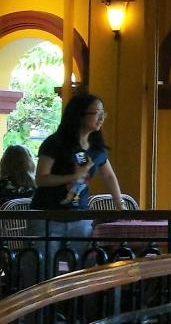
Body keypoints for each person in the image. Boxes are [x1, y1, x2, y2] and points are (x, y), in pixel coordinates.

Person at [31, 93, 124, 270]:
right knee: (44, 269)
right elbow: (41, 179)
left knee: (80, 268)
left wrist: (120, 205)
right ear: (80, 115)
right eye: (96, 113)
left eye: (103, 113)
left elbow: (109, 176)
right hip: (47, 216)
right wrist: (74, 176)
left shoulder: (97, 149)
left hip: (80, 217)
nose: (101, 118)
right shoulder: (56, 143)